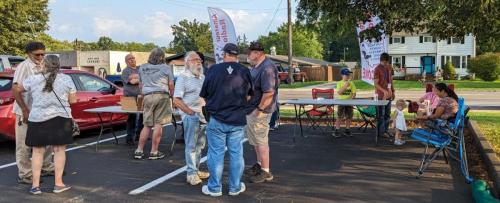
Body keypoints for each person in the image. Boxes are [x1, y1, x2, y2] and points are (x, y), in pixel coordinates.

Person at [13, 55, 76, 194]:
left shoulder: (34, 79)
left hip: (37, 119)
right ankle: (58, 184)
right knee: (59, 151)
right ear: (58, 65)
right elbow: (73, 100)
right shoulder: (66, 79)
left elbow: (17, 89)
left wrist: (24, 107)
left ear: (44, 65)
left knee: (37, 151)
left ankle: (35, 186)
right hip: (61, 118)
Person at [200, 43, 253, 197]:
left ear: (224, 54)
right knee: (236, 154)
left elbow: (204, 94)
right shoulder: (244, 71)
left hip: (217, 118)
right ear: (237, 55)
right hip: (237, 119)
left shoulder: (213, 70)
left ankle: (214, 188)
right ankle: (235, 187)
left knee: (215, 154)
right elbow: (249, 96)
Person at [11, 42, 55, 185]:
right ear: (29, 54)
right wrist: (24, 110)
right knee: (24, 144)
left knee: (46, 140)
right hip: (26, 110)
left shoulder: (44, 65)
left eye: (43, 54)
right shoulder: (24, 67)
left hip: (42, 110)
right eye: (37, 54)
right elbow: (16, 89)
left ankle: (46, 166)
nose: (41, 57)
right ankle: (25, 174)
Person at [172, 51, 209, 186]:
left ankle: (196, 170)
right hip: (191, 116)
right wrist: (190, 113)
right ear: (187, 63)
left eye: (199, 59)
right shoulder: (183, 77)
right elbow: (176, 100)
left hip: (203, 116)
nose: (198, 61)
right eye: (194, 60)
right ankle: (191, 174)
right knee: (191, 146)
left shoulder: (202, 77)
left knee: (200, 146)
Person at [244, 41, 279, 183]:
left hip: (261, 111)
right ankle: (259, 164)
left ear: (257, 54)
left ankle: (266, 171)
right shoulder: (256, 67)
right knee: (256, 141)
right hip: (252, 109)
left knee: (261, 140)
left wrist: (258, 110)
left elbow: (269, 93)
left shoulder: (267, 68)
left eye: (250, 53)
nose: (248, 55)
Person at [134, 48, 174, 160]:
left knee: (147, 125)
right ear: (162, 57)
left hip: (147, 96)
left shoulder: (142, 67)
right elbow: (171, 84)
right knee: (158, 124)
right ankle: (154, 151)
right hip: (161, 95)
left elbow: (140, 85)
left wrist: (143, 97)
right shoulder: (166, 68)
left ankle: (139, 150)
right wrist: (173, 97)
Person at [121, 53, 143, 145]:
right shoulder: (126, 71)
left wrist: (136, 77)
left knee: (143, 116)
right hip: (129, 97)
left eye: (133, 58)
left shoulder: (139, 68)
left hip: (141, 96)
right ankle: (129, 137)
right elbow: (133, 82)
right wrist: (140, 78)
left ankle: (140, 135)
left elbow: (145, 77)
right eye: (130, 59)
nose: (132, 60)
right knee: (132, 117)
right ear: (126, 61)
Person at [374, 53, 395, 137]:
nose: (386, 64)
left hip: (388, 95)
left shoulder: (388, 68)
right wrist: (383, 91)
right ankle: (381, 132)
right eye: (385, 63)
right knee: (381, 115)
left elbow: (390, 81)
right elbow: (375, 84)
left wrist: (392, 91)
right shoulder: (377, 69)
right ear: (382, 61)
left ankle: (386, 130)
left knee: (387, 114)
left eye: (387, 63)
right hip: (380, 96)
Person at [332, 68, 357, 138]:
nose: (348, 76)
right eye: (346, 75)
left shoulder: (352, 83)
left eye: (348, 75)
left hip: (349, 102)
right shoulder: (339, 83)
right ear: (342, 75)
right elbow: (340, 92)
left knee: (349, 116)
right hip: (341, 102)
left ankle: (347, 130)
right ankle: (337, 130)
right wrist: (345, 85)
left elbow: (354, 93)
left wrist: (351, 100)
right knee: (340, 116)